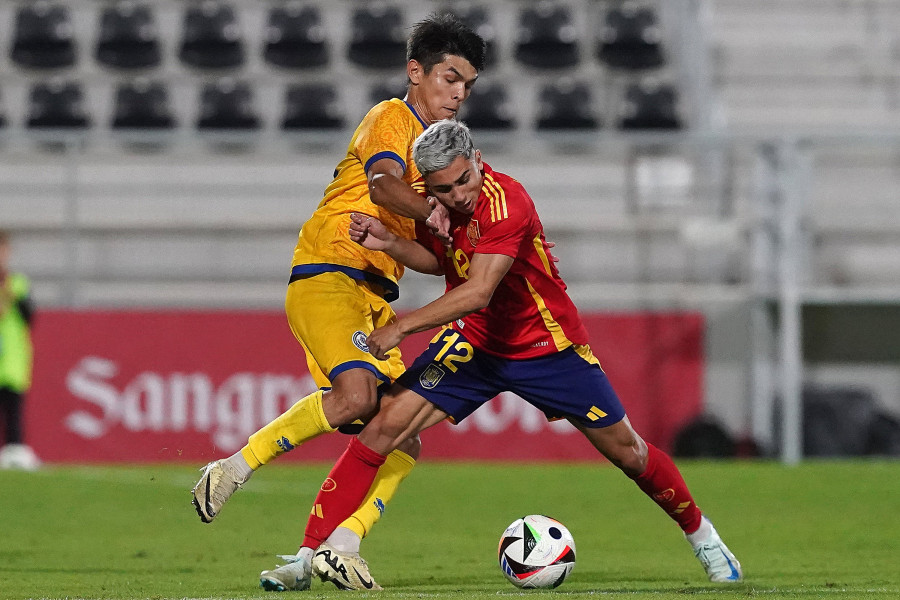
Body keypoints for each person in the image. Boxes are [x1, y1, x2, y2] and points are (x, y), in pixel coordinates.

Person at [295, 120, 743, 588]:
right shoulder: (440, 208)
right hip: (477, 344)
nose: (457, 196)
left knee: (628, 453)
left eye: (463, 180)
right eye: (443, 189)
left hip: (545, 345)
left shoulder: (508, 203)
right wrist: (393, 243)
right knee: (383, 425)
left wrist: (402, 326)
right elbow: (445, 261)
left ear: (478, 161)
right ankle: (308, 555)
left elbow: (478, 290)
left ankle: (703, 536)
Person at [189, 14, 486, 592]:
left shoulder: (438, 164)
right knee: (357, 399)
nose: (458, 94)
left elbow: (430, 259)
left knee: (404, 434)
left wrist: (441, 241)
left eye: (468, 85)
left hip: (375, 295)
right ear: (415, 72)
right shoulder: (390, 118)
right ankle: (233, 468)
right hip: (329, 272)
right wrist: (436, 213)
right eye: (450, 78)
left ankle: (322, 554)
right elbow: (380, 185)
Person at [0, 230, 40, 471]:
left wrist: (15, 299)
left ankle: (15, 452)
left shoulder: (17, 283)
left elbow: (29, 316)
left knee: (13, 409)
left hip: (12, 359)